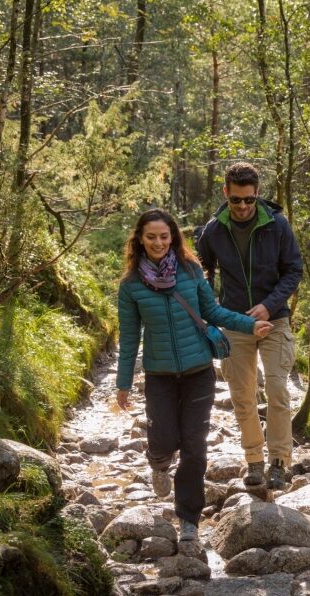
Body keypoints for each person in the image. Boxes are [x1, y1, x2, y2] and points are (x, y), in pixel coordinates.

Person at [116, 208, 273, 542]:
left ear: (172, 236)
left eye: (163, 236)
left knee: (194, 446)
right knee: (163, 439)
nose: (158, 242)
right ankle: (158, 463)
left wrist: (249, 324)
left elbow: (212, 311)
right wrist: (123, 383)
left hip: (199, 370)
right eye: (151, 237)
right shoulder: (130, 285)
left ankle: (188, 519)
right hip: (159, 374)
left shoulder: (190, 271)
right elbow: (129, 337)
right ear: (140, 239)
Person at [196, 162, 303, 490]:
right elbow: (203, 272)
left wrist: (268, 305)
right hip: (233, 321)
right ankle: (254, 461)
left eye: (249, 200)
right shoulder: (212, 231)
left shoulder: (278, 225)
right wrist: (209, 311)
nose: (242, 207)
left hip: (275, 319)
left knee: (276, 388)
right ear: (226, 193)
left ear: (258, 194)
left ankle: (279, 463)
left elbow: (294, 270)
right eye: (236, 200)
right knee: (241, 394)